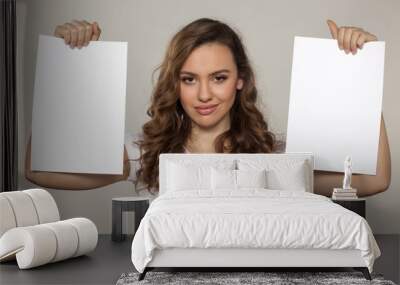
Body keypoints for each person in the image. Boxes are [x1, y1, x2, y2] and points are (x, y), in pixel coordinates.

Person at [25, 18, 391, 198]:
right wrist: (65, 68)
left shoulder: (276, 153)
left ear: (240, 80)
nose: (204, 94)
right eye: (189, 79)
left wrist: (360, 72)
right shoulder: (147, 154)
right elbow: (40, 171)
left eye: (218, 77)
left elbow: (373, 180)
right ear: (175, 83)